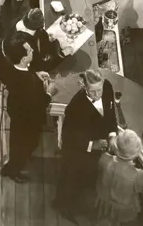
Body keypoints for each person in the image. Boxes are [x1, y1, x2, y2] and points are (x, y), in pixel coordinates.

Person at [54, 69, 118, 219]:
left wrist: (112, 135)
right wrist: (91, 144)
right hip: (78, 151)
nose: (97, 95)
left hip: (100, 148)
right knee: (71, 179)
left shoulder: (107, 87)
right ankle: (63, 206)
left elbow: (110, 114)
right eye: (93, 91)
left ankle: (84, 193)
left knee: (90, 176)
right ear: (84, 87)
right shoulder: (75, 107)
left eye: (99, 90)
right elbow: (68, 137)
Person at [0, 33, 53, 183]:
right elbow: (37, 106)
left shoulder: (15, 69)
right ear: (23, 59)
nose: (33, 52)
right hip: (26, 123)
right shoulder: (27, 85)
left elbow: (24, 75)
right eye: (30, 51)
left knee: (17, 146)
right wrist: (49, 94)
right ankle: (13, 172)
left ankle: (10, 167)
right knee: (24, 148)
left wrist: (35, 75)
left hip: (17, 116)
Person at [95, 129, 143, 225]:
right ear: (135, 155)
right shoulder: (137, 176)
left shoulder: (103, 159)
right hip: (123, 207)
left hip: (104, 198)